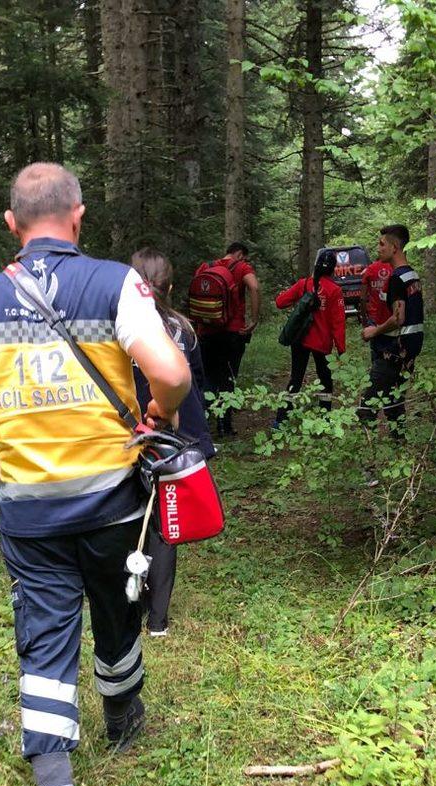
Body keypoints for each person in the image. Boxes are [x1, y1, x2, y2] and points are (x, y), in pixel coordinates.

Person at [0, 163, 191, 786]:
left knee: (45, 639)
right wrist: (157, 414)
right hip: (112, 503)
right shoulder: (115, 283)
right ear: (77, 216)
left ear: (11, 225)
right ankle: (122, 718)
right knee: (117, 610)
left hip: (30, 514)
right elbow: (171, 373)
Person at [130, 247, 215, 638]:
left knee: (130, 517)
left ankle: (130, 602)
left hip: (132, 434)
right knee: (166, 525)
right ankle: (158, 619)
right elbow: (196, 383)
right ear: (171, 286)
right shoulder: (184, 330)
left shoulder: (121, 330)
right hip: (178, 438)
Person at [357, 224, 424, 440]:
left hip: (394, 352)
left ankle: (370, 465)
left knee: (367, 409)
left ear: (394, 247)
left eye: (382, 244)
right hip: (410, 350)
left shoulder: (397, 278)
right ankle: (400, 452)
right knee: (394, 403)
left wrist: (373, 331)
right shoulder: (412, 275)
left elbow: (398, 318)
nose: (378, 248)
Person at [273, 248, 346, 428]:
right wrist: (341, 351)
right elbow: (338, 324)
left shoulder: (304, 284)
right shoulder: (334, 290)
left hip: (300, 340)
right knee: (325, 381)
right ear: (333, 269)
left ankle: (281, 420)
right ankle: (324, 419)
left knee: (295, 379)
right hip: (321, 343)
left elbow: (280, 302)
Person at [195, 241, 260, 436]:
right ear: (240, 254)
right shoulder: (241, 267)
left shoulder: (206, 266)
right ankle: (225, 426)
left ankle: (203, 425)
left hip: (206, 331)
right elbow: (254, 287)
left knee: (207, 378)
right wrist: (254, 319)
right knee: (228, 377)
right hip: (232, 332)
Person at [359, 255, 393, 336]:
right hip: (391, 316)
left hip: (374, 316)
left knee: (377, 346)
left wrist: (364, 319)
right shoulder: (393, 268)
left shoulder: (370, 269)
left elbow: (362, 298)